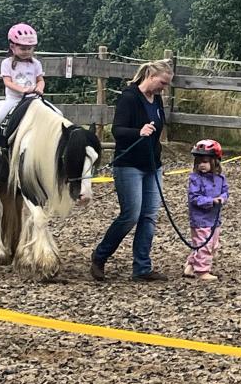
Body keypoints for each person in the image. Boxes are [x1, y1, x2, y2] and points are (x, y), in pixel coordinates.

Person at [91, 60, 173, 282]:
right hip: (128, 164)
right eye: (162, 83)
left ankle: (142, 267)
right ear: (151, 76)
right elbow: (117, 130)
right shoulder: (128, 97)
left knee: (149, 216)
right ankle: (100, 256)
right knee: (130, 215)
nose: (163, 88)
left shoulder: (156, 100)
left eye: (166, 85)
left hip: (152, 165)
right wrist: (139, 132)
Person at [0, 23, 45, 165]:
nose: (26, 51)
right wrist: (23, 90)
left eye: (29, 48)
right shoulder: (7, 63)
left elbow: (40, 80)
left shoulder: (36, 64)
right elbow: (7, 82)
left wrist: (40, 88)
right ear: (12, 46)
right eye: (23, 48)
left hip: (33, 99)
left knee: (57, 113)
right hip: (13, 99)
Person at [182, 139, 229, 282]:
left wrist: (222, 198)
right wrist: (210, 201)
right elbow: (194, 198)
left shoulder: (220, 178)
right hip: (200, 220)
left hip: (214, 219)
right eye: (200, 161)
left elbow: (225, 192)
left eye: (206, 161)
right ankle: (202, 271)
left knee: (213, 245)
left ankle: (191, 264)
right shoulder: (195, 179)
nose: (202, 165)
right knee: (204, 244)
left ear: (215, 162)